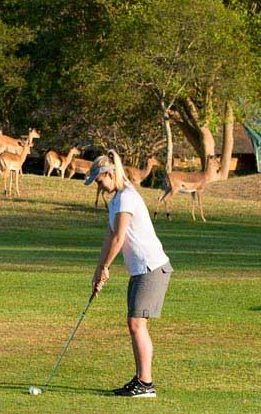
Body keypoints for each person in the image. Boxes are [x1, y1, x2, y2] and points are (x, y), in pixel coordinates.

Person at [84, 150, 173, 398]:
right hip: (140, 269)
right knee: (134, 323)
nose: (100, 187)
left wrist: (106, 268)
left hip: (151, 267)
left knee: (136, 323)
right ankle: (140, 380)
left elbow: (120, 237)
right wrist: (98, 269)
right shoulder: (115, 201)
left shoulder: (126, 198)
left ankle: (146, 384)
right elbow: (109, 237)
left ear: (110, 173)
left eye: (100, 181)